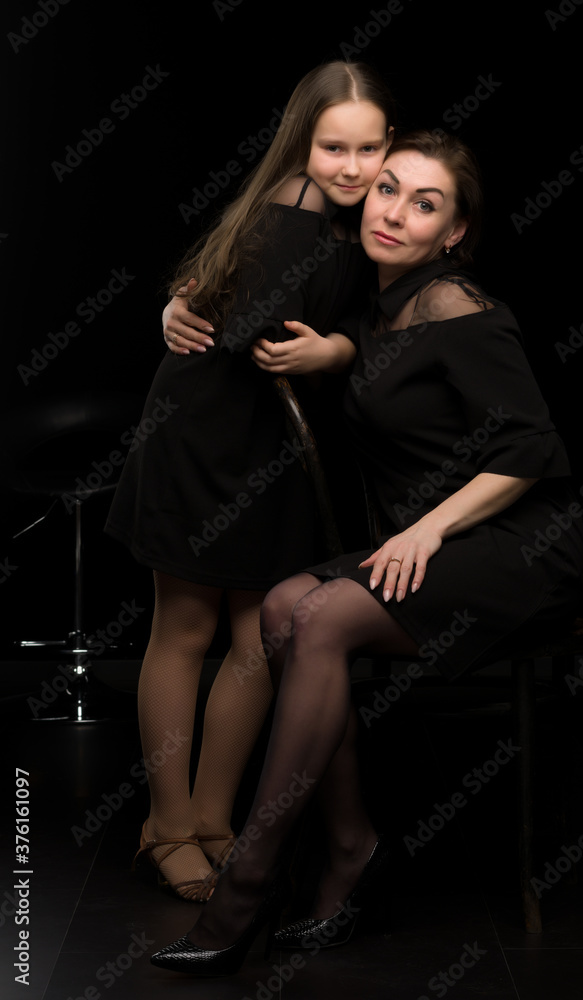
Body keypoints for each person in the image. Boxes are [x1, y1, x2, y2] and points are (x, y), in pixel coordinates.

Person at [150, 129, 583, 972]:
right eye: (387, 188)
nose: (393, 212)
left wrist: (426, 528)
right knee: (282, 604)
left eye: (425, 204)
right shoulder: (372, 298)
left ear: (453, 232)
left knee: (314, 619)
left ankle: (252, 880)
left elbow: (532, 450)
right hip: (424, 548)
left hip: (513, 548)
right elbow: (240, 294)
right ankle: (351, 847)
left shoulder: (462, 310)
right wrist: (177, 305)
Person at [104, 60, 395, 900]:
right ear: (302, 145)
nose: (348, 166)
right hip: (204, 435)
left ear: (387, 147)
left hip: (274, 447)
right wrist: (185, 305)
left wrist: (336, 349)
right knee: (187, 633)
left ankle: (212, 819)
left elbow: (369, 323)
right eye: (331, 146)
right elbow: (240, 326)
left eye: (366, 148)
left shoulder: (362, 216)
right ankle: (166, 827)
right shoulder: (298, 205)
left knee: (254, 643)